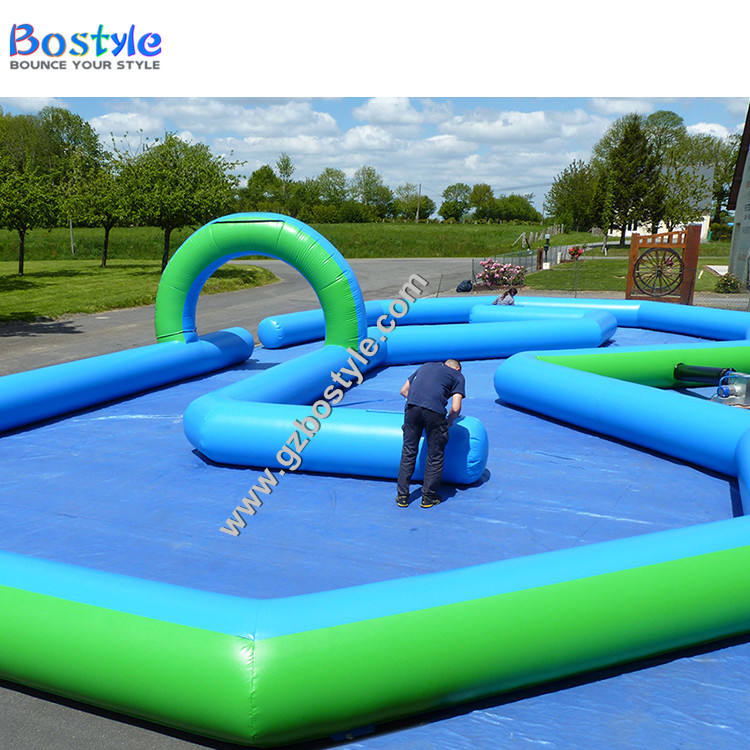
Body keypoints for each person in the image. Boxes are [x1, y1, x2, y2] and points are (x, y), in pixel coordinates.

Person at [395, 359, 465, 508]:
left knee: (408, 451)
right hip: (435, 412)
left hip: (412, 408)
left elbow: (403, 391)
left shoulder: (426, 366)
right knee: (435, 455)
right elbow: (456, 407)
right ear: (458, 369)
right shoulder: (457, 376)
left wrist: (419, 404)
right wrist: (449, 421)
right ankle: (428, 497)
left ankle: (402, 496)